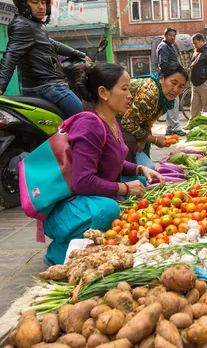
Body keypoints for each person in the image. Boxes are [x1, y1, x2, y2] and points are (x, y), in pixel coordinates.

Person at [43, 63, 165, 265]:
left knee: (140, 179)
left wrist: (139, 168)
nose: (130, 95)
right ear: (103, 93)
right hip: (68, 208)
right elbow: (83, 181)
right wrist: (124, 188)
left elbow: (114, 161)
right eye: (124, 89)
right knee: (109, 208)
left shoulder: (111, 121)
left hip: (86, 198)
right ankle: (59, 252)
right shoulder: (90, 125)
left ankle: (94, 233)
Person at [0, 0, 90, 118]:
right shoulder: (23, 25)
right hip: (50, 88)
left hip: (41, 87)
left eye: (43, 2)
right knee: (87, 119)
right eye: (35, 2)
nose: (41, 6)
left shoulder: (34, 25)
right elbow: (11, 54)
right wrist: (0, 86)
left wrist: (81, 54)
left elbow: (52, 44)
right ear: (23, 4)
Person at [120, 66, 188, 163]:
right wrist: (154, 140)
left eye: (181, 86)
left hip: (131, 120)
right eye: (173, 83)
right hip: (117, 119)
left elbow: (147, 119)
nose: (175, 89)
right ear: (161, 79)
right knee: (130, 144)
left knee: (143, 144)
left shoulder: (163, 97)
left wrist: (144, 139)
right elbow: (127, 122)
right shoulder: (149, 94)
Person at [156, 28, 186, 136]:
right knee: (174, 102)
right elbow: (163, 64)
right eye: (170, 35)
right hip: (169, 79)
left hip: (171, 77)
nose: (172, 37)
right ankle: (175, 127)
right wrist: (175, 71)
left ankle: (169, 127)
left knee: (170, 102)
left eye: (174, 36)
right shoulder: (163, 47)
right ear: (165, 35)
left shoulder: (169, 47)